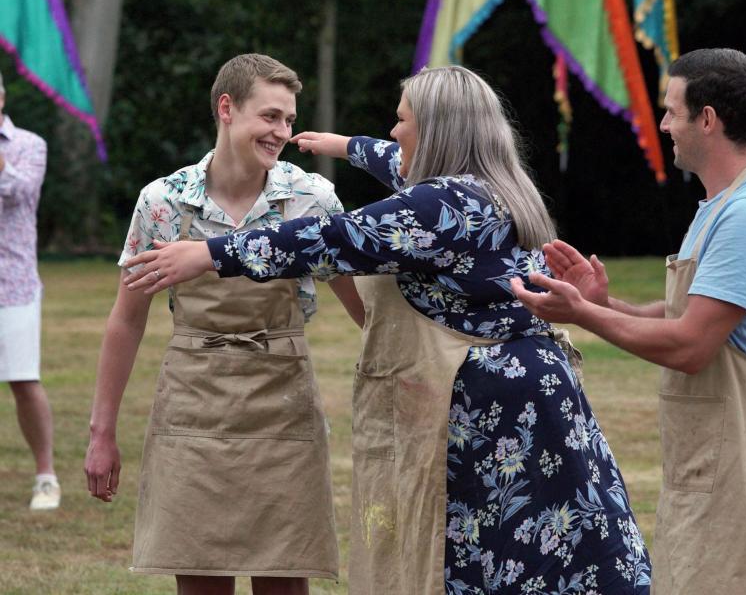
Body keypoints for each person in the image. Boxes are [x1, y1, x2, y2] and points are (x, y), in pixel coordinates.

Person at [123, 65, 652, 594]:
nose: (394, 132)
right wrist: (343, 145)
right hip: (536, 395)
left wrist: (212, 253)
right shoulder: (490, 184)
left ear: (437, 130)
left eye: (402, 121)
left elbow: (334, 238)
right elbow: (391, 161)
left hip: (496, 413)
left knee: (497, 559)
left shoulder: (443, 204)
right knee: (546, 557)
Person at [511, 48, 746, 595]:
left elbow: (690, 345)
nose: (663, 125)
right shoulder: (720, 206)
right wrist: (605, 305)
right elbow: (686, 314)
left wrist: (581, 314)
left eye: (672, 111)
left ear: (708, 119)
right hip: (725, 458)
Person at [84, 54, 363, 595]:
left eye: (288, 120)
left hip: (283, 409)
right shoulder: (162, 202)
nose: (282, 132)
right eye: (271, 116)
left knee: (284, 579)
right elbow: (126, 321)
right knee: (200, 578)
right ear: (227, 108)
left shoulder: (311, 200)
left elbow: (363, 312)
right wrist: (102, 433)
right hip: (193, 407)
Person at [0, 70, 60, 511]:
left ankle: (46, 477)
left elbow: (20, 192)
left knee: (23, 381)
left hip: (13, 282)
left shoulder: (29, 145)